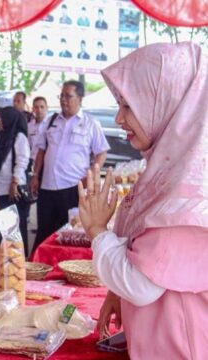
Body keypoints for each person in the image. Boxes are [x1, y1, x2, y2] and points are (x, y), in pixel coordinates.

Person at [78, 42, 208, 359]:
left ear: (167, 102)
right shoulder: (173, 173)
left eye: (129, 105)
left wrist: (97, 230)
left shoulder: (190, 193)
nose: (119, 118)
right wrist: (115, 291)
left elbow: (142, 285)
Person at [31, 80, 110, 252]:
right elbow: (41, 151)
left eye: (69, 96)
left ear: (80, 98)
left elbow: (101, 152)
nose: (63, 100)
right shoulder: (51, 121)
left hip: (73, 188)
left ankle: (63, 269)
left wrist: (90, 175)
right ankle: (39, 269)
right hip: (47, 187)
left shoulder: (90, 123)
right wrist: (35, 175)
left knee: (69, 235)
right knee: (44, 232)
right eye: (62, 96)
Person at [0, 107, 30, 254]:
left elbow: (22, 161)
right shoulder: (0, 135)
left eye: (1, 118)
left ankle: (16, 260)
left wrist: (14, 183)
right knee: (1, 227)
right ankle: (3, 259)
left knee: (14, 228)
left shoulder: (19, 137)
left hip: (12, 190)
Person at [28, 97, 48, 168]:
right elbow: (28, 146)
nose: (39, 110)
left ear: (46, 108)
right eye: (36, 107)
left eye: (42, 107)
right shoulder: (29, 126)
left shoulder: (51, 125)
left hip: (47, 163)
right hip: (33, 162)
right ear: (33, 109)